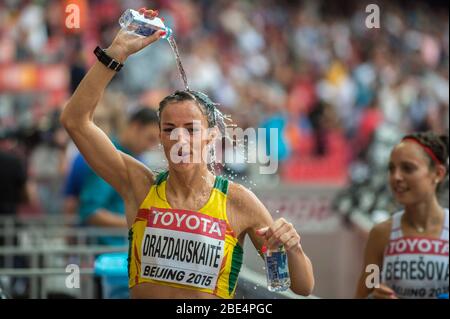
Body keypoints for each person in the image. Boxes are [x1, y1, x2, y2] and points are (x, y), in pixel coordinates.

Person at [61, 8, 314, 299]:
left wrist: (293, 249)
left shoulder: (238, 201)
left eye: (191, 129)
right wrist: (115, 53)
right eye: (169, 128)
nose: (180, 138)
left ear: (212, 136)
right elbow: (74, 120)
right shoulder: (139, 184)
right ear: (159, 137)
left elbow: (302, 287)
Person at [355, 131, 449, 299]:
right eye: (391, 169)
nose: (396, 177)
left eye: (408, 168)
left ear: (438, 173)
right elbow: (367, 290)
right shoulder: (380, 234)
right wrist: (373, 296)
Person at [73, 108, 160, 245]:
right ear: (135, 127)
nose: (151, 147)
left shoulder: (138, 160)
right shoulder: (109, 158)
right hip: (105, 250)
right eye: (150, 139)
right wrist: (139, 223)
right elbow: (91, 212)